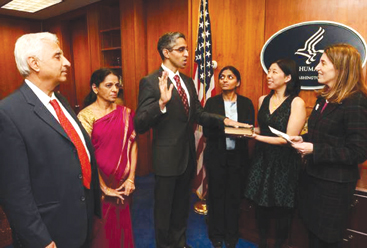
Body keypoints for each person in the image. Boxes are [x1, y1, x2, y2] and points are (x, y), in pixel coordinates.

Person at [134, 32, 248, 248]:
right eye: (181, 49)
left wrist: (226, 121)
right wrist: (160, 103)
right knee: (164, 211)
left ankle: (179, 243)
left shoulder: (186, 81)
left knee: (180, 208)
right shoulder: (150, 81)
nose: (187, 54)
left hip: (186, 158)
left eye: (187, 49)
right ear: (166, 53)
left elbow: (199, 114)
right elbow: (139, 123)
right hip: (166, 160)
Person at [0, 32, 101, 248]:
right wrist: (40, 239)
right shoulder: (8, 113)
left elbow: (76, 151)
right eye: (58, 56)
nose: (67, 62)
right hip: (51, 230)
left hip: (81, 218)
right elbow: (14, 191)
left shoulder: (60, 100)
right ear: (34, 63)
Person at [290, 44, 367, 248]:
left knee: (325, 240)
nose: (317, 67)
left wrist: (314, 149)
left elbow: (358, 151)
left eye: (323, 63)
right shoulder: (324, 97)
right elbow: (323, 134)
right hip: (312, 180)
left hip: (333, 188)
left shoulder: (356, 101)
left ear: (341, 69)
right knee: (311, 234)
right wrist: (304, 139)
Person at [245, 59, 306, 248]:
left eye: (273, 72)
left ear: (288, 77)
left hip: (284, 162)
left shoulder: (296, 102)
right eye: (268, 71)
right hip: (261, 159)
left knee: (282, 208)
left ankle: (279, 244)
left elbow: (287, 139)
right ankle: (262, 242)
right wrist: (243, 129)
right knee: (260, 204)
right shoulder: (263, 99)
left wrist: (255, 137)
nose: (268, 76)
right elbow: (261, 129)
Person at [78, 68, 137, 248]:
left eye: (117, 85)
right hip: (98, 185)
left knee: (122, 226)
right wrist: (102, 187)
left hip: (122, 183)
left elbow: (132, 145)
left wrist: (131, 178)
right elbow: (84, 156)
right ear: (95, 88)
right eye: (109, 85)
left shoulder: (125, 113)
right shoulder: (86, 116)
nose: (114, 89)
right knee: (102, 231)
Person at [203, 66, 255, 248]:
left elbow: (248, 129)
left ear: (237, 82)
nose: (225, 80)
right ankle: (216, 234)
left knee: (234, 197)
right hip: (216, 157)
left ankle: (232, 234)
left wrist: (228, 129)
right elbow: (208, 131)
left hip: (238, 159)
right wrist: (235, 129)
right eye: (222, 77)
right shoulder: (211, 103)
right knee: (216, 196)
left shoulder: (246, 103)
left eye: (230, 77)